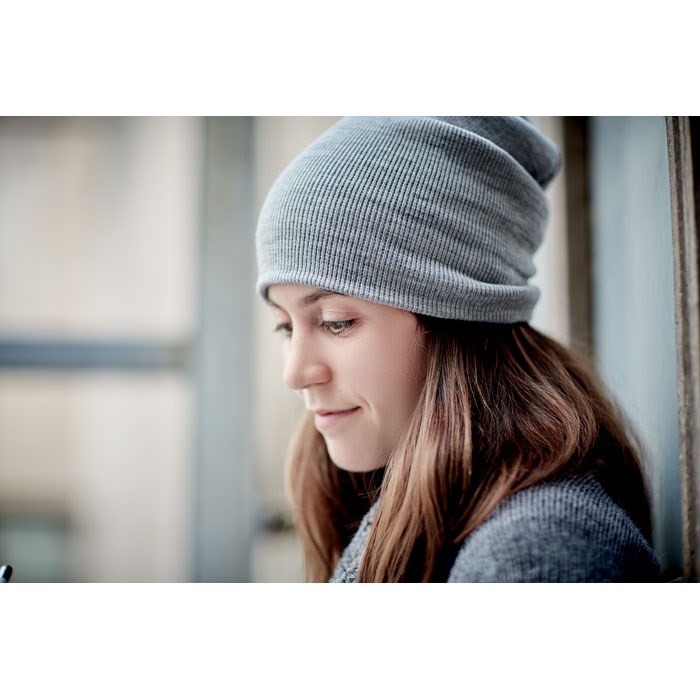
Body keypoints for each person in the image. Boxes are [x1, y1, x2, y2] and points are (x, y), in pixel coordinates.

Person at [254, 116, 661, 583]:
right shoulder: (375, 484)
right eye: (285, 327)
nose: (295, 372)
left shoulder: (536, 550)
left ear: (454, 317)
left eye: (335, 322)